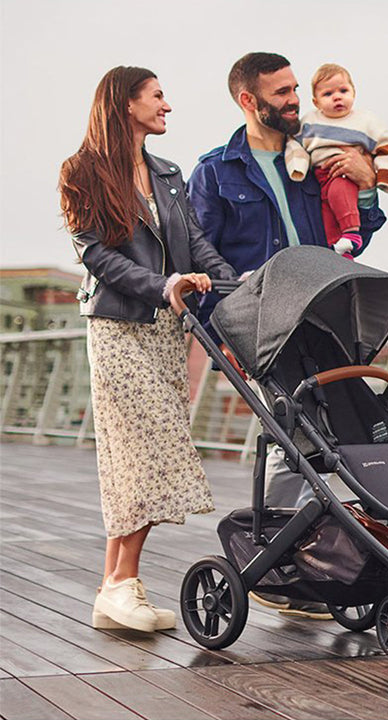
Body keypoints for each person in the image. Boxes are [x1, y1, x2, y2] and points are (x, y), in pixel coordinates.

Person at [187, 52, 387, 619]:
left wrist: (367, 187)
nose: (296, 99)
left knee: (327, 432)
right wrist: (220, 329)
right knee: (292, 430)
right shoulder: (216, 173)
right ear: (249, 101)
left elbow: (357, 230)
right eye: (282, 92)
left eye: (296, 88)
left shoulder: (317, 158)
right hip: (261, 326)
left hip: (325, 317)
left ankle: (307, 558)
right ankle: (279, 563)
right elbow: (203, 261)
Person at [59, 66, 237, 632]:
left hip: (165, 329)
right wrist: (164, 285)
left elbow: (197, 242)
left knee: (138, 452)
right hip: (118, 325)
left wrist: (234, 285)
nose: (168, 105)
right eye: (158, 96)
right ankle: (121, 583)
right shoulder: (81, 171)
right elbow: (96, 255)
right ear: (126, 103)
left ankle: (115, 587)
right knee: (147, 447)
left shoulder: (167, 172)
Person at [285, 63, 388, 258]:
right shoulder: (310, 121)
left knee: (341, 194)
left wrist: (385, 179)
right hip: (321, 177)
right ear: (316, 101)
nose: (337, 97)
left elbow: (385, 146)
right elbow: (295, 146)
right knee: (327, 216)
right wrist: (299, 167)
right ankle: (340, 252)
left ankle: (352, 233)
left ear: (353, 93)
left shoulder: (365, 121)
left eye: (343, 90)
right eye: (327, 94)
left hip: (344, 174)